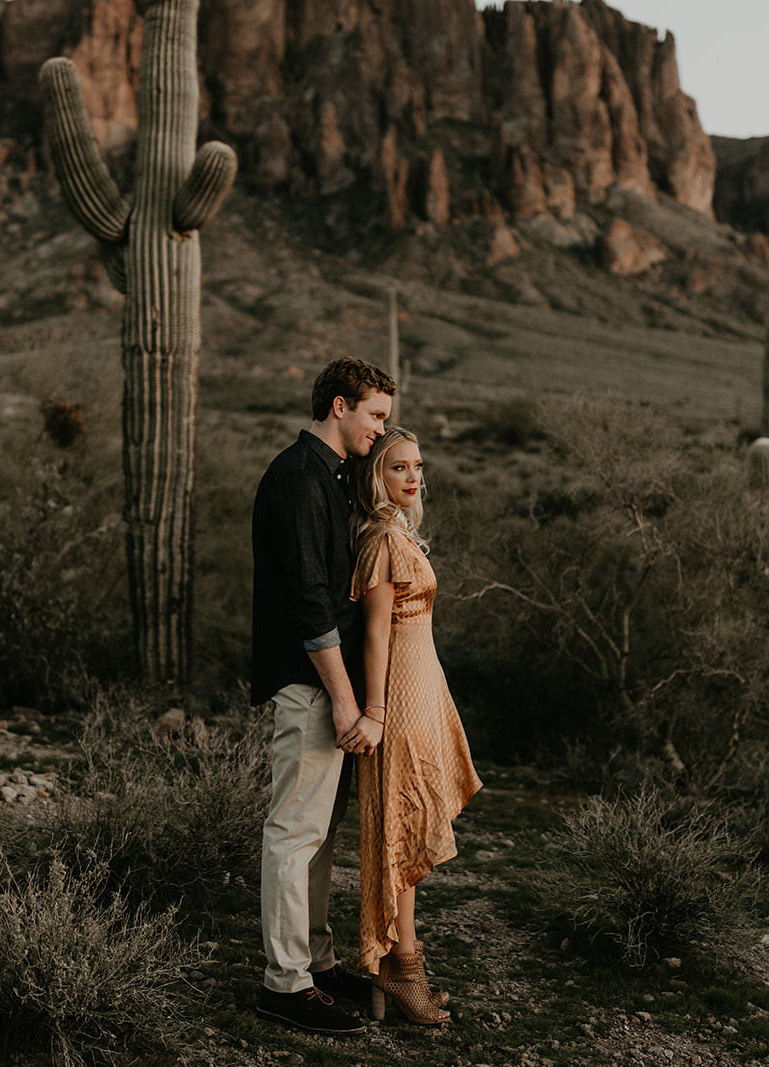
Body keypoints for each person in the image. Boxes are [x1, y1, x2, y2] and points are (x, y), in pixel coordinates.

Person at [250, 357, 396, 1036]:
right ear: (340, 406)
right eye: (375, 415)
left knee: (319, 834)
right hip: (312, 684)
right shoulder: (301, 478)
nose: (381, 429)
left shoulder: (328, 478)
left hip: (324, 683)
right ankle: (284, 983)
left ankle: (315, 959)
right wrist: (344, 698)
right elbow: (312, 603)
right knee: (293, 832)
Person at [342, 426, 482, 1025]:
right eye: (399, 467)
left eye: (418, 465)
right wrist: (374, 712)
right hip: (397, 700)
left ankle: (398, 971)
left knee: (408, 828)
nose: (413, 476)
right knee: (397, 833)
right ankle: (401, 970)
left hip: (423, 690)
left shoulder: (400, 534)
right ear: (376, 476)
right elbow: (374, 632)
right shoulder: (380, 541)